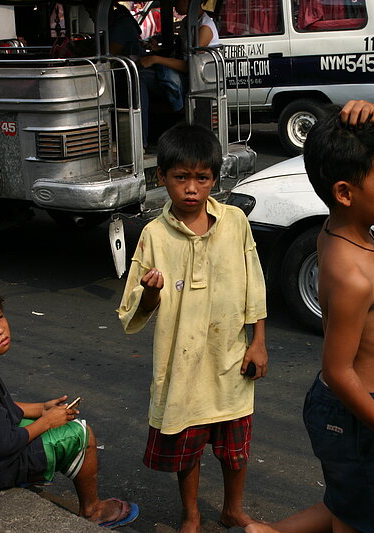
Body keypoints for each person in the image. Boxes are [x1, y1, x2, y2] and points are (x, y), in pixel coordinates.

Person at [117, 123, 268, 533]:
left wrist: (259, 343)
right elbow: (132, 309)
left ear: (214, 179)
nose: (191, 189)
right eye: (181, 177)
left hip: (230, 357)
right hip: (182, 363)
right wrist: (150, 294)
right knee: (188, 447)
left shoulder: (235, 222)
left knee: (234, 449)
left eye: (201, 178)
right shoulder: (153, 235)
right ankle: (192, 514)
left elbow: (254, 281)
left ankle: (232, 509)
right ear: (161, 177)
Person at [0, 281, 139, 529]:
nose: (0, 330)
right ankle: (92, 510)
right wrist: (47, 421)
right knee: (81, 434)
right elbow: (1, 444)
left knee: (42, 424)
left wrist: (41, 408)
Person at [300, 100, 374, 533]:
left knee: (353, 502)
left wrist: (362, 114)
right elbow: (337, 369)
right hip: (354, 411)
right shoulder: (351, 276)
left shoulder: (342, 229)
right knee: (368, 518)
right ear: (346, 193)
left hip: (358, 407)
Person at [137, 0, 219, 148]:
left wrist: (156, 59)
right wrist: (158, 51)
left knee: (165, 73)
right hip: (185, 77)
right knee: (141, 76)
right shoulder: (188, 22)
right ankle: (141, 140)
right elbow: (179, 54)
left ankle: (181, 113)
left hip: (197, 82)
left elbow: (190, 67)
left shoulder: (205, 28)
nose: (174, 5)